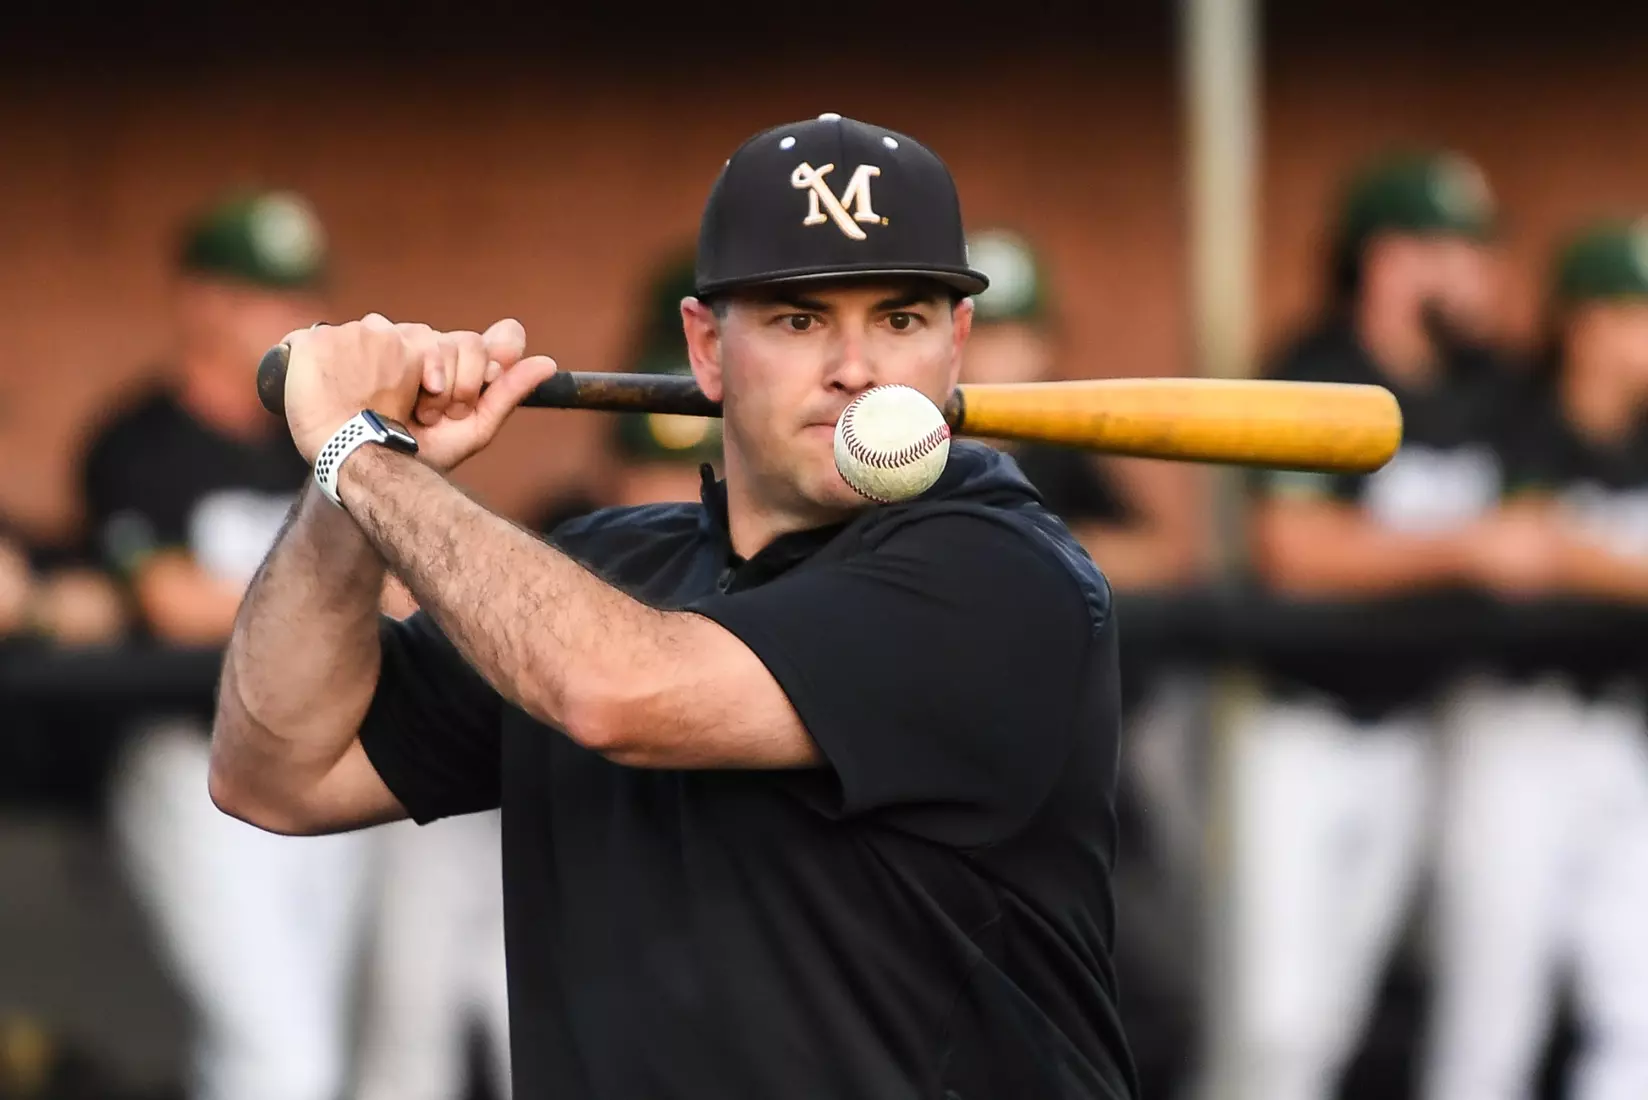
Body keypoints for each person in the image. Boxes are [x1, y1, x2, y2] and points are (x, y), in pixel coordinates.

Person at [208, 113, 1141, 1099]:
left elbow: (618, 689)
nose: (856, 366)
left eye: (899, 319)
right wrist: (344, 489)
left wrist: (361, 455)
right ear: (704, 347)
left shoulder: (999, 572)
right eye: (798, 319)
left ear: (955, 345)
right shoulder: (605, 573)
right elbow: (275, 771)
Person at [1225, 150, 1527, 1100]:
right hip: (1291, 732)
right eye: (1456, 249)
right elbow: (1292, 548)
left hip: (1419, 735)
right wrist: (1467, 547)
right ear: (1390, 258)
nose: (1479, 272)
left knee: (1340, 1018)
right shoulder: (1315, 370)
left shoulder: (1489, 385)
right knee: (1273, 1019)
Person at [74, 189, 374, 1100]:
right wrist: (331, 596)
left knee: (316, 1048)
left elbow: (401, 586)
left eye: (295, 300)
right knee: (279, 1056)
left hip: (327, 751)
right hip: (191, 758)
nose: (282, 321)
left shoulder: (321, 438)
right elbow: (172, 602)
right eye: (257, 297)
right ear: (200, 299)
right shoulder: (140, 440)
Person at [1421, 219, 1648, 1100]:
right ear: (1588, 323)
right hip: (1509, 732)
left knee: (1637, 1013)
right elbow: (1525, 548)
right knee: (1492, 1018)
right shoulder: (1516, 415)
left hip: (1620, 734)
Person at [960, 227, 1204, 591]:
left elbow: (1157, 554)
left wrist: (1041, 546)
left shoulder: (1056, 435)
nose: (995, 358)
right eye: (981, 335)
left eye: (1016, 335)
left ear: (1045, 345)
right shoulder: (909, 435)